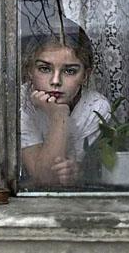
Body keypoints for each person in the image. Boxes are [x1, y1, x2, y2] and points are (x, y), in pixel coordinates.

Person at [20, 18, 110, 187]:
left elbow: (54, 176)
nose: (55, 81)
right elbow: (44, 178)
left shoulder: (95, 107)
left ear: (85, 75)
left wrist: (76, 171)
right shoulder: (20, 103)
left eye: (69, 71)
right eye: (45, 69)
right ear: (30, 71)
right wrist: (59, 115)